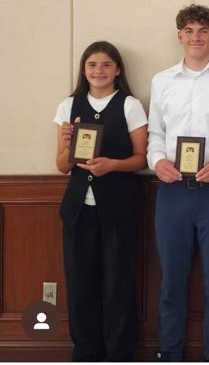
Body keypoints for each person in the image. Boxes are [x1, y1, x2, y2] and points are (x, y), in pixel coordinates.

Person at [148, 4, 209, 362]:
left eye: (203, 31)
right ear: (179, 36)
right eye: (189, 31)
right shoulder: (162, 81)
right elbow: (155, 133)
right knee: (172, 279)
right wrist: (157, 161)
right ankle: (169, 352)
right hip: (172, 191)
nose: (196, 37)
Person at [55, 40, 148, 361]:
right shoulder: (69, 106)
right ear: (84, 70)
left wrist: (112, 165)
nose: (99, 70)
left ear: (117, 70)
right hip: (78, 212)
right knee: (80, 285)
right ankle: (85, 353)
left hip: (119, 211)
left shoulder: (130, 105)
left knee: (117, 286)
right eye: (92, 65)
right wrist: (67, 145)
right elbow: (62, 166)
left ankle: (119, 354)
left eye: (106, 64)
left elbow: (141, 159)